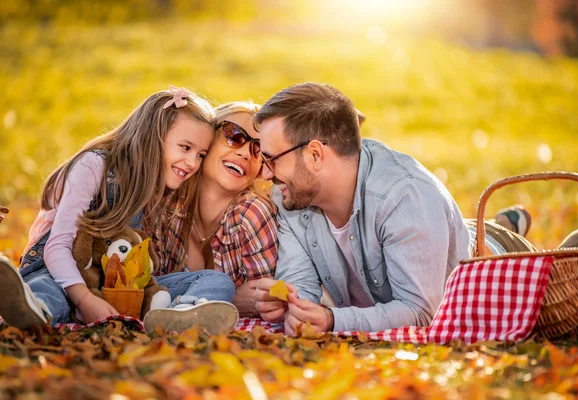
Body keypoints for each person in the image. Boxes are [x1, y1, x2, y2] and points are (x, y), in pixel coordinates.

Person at [0, 86, 237, 332]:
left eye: (201, 155)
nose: (192, 163)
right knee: (47, 289)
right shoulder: (95, 166)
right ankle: (32, 311)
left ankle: (178, 314)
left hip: (122, 288)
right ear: (152, 137)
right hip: (65, 276)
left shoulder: (159, 186)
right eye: (185, 148)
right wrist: (85, 299)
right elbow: (57, 245)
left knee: (215, 280)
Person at [253, 82, 471, 335]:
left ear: (315, 155)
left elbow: (421, 313)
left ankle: (506, 224)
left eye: (272, 159)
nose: (265, 174)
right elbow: (300, 286)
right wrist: (291, 304)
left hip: (490, 254)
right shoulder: (289, 196)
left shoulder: (404, 195)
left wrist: (333, 320)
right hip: (434, 230)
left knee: (487, 234)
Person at [187, 102, 278, 317]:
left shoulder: (251, 215)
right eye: (234, 136)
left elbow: (267, 305)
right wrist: (230, 299)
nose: (246, 154)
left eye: (258, 150)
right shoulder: (169, 205)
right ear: (207, 139)